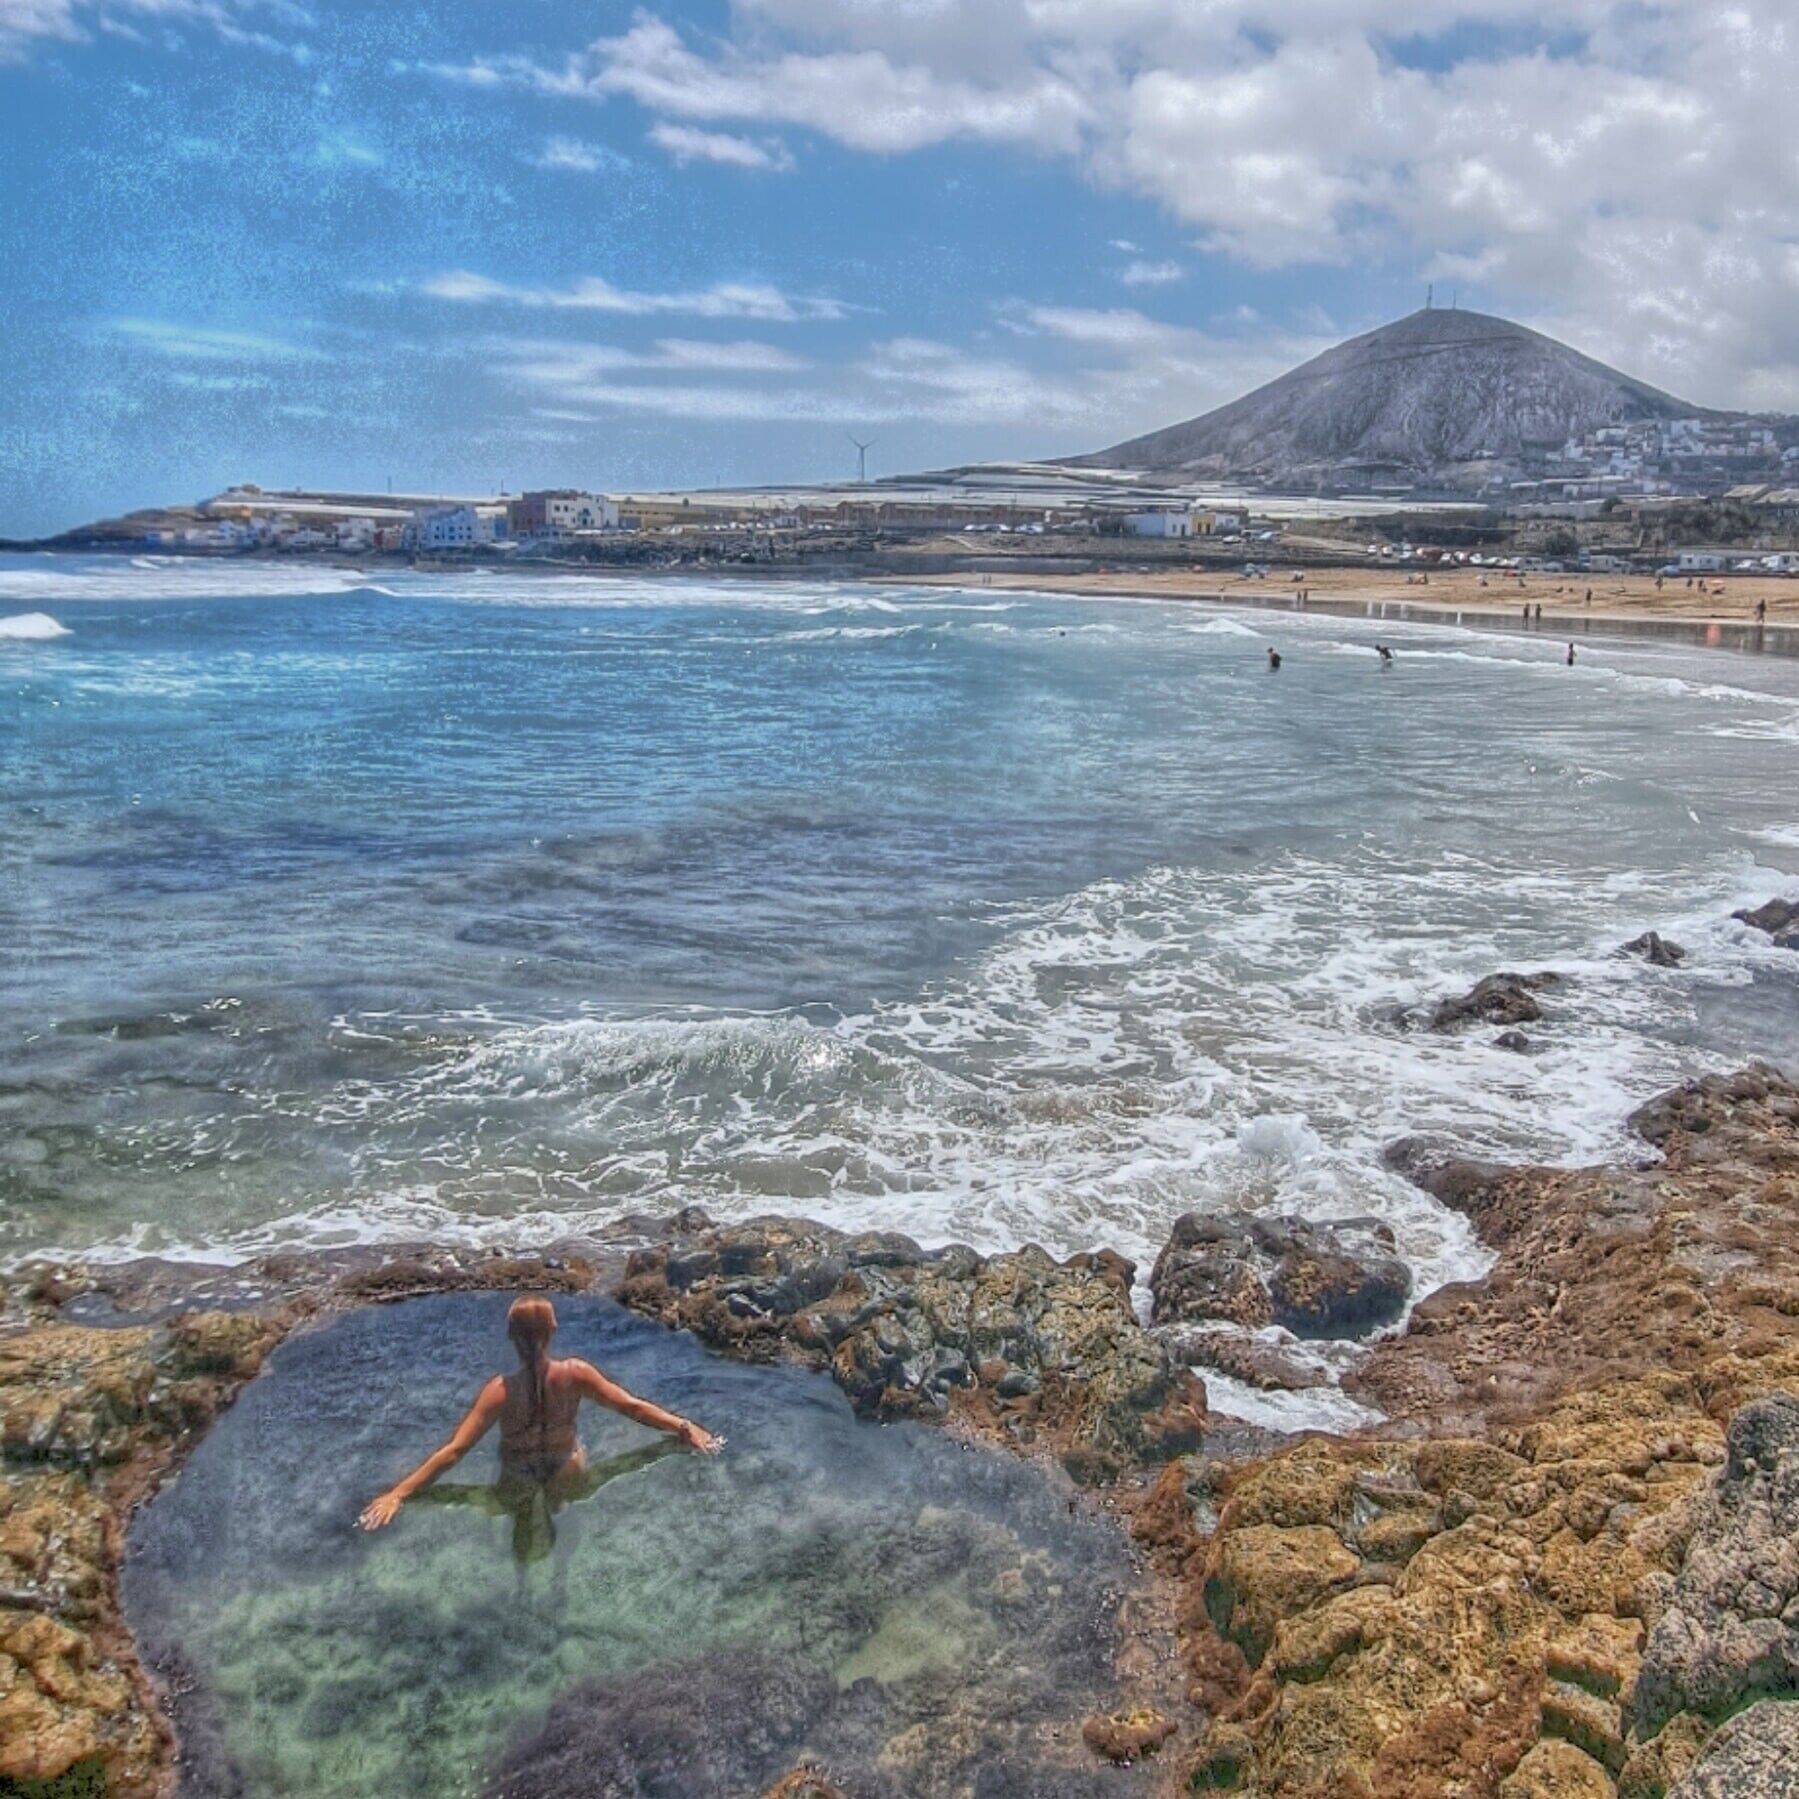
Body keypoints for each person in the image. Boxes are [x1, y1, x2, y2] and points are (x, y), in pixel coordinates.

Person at [358, 1297, 721, 1533]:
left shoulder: (500, 1391)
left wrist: (399, 1493)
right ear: (553, 1332)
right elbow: (631, 1407)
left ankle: (524, 1518)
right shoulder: (576, 1374)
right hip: (568, 1469)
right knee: (611, 1471)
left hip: (518, 1476)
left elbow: (454, 1452)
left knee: (470, 1497)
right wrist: (684, 1427)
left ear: (510, 1336)